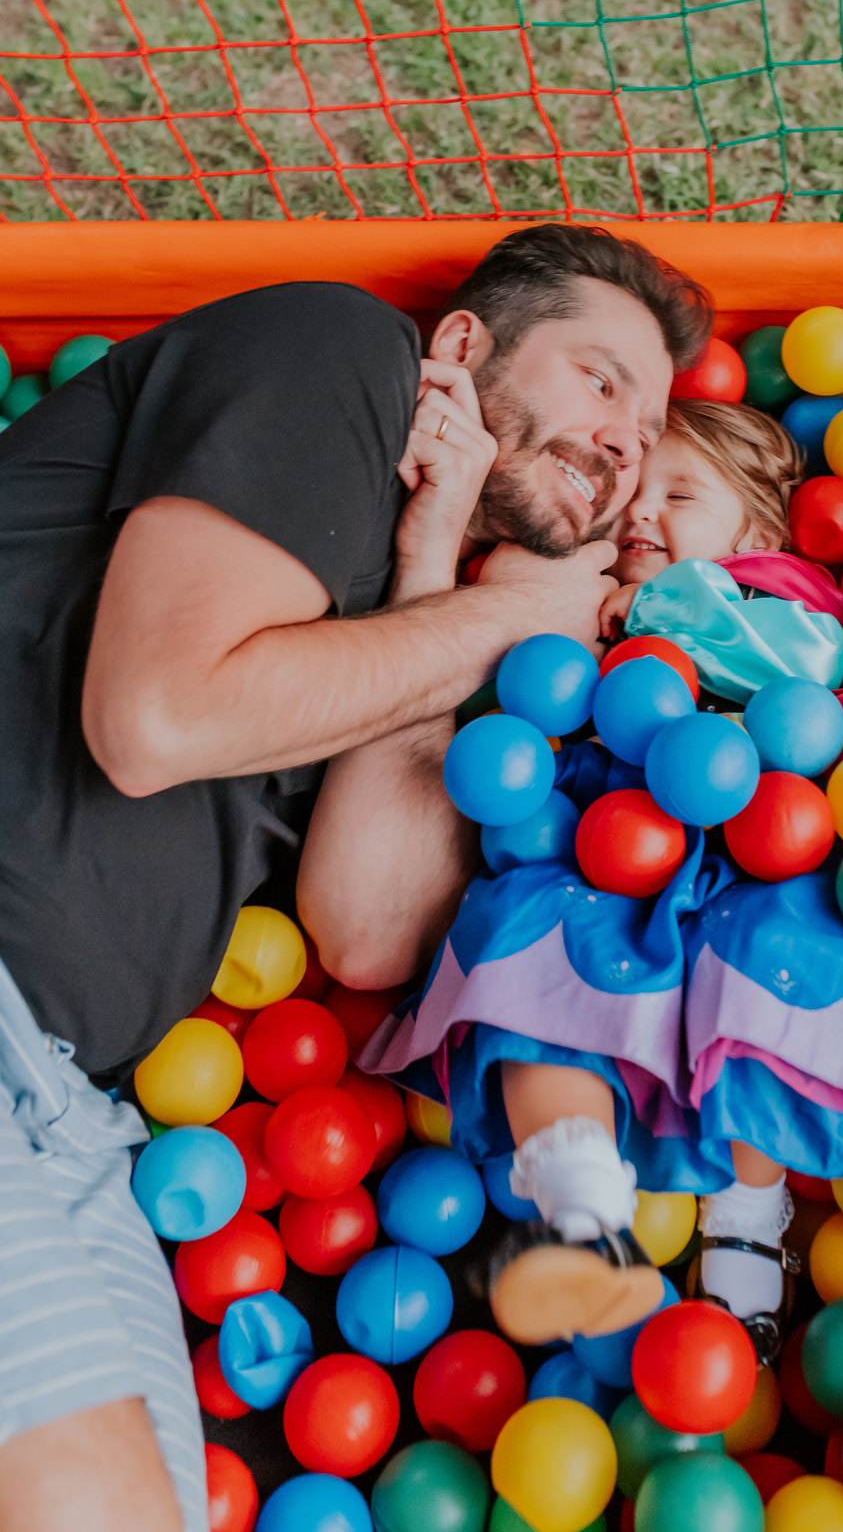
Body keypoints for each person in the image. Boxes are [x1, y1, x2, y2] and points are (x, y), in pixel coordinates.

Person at [0, 223, 710, 1532]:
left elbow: (371, 930)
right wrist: (506, 618)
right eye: (601, 379)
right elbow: (153, 718)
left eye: (648, 426)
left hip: (72, 1113)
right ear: (461, 347)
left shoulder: (427, 608)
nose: (625, 441)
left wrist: (451, 571)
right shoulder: (339, 352)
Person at [365, 397, 843, 1360]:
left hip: (764, 850)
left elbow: (803, 660)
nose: (641, 515)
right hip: (606, 859)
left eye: (680, 494)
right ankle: (582, 1222)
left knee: (768, 993)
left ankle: (748, 1231)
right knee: (540, 962)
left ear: (754, 533)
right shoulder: (586, 604)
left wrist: (664, 615)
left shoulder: (772, 598)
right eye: (632, 493)